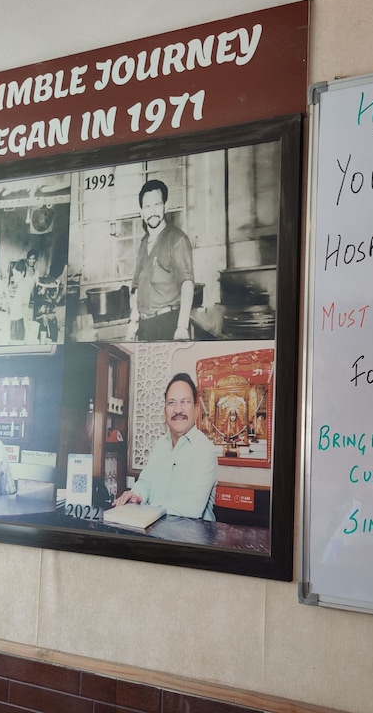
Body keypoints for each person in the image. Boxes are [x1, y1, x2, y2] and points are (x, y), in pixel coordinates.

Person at [113, 372, 217, 520]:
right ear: (165, 411)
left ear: (196, 410)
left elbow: (192, 507)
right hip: (154, 527)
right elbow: (145, 481)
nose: (178, 410)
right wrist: (136, 495)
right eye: (172, 403)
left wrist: (148, 507)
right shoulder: (160, 445)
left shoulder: (205, 450)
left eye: (185, 402)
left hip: (192, 532)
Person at [126, 179, 195, 341]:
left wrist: (182, 327)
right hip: (145, 327)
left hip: (168, 323)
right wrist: (133, 324)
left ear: (166, 206)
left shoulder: (177, 239)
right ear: (141, 212)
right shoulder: (144, 243)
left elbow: (187, 283)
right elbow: (137, 288)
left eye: (157, 204)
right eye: (147, 207)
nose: (152, 211)